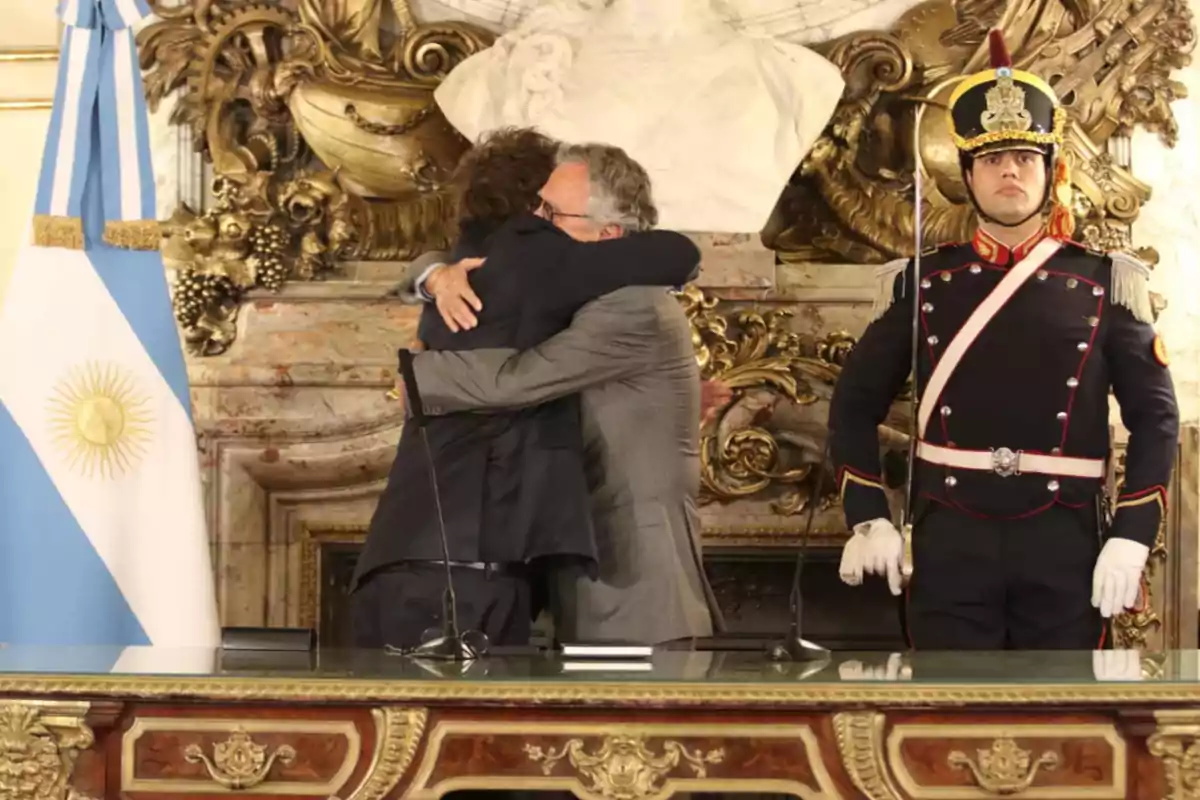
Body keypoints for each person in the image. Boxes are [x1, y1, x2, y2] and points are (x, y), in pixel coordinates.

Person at [829, 29, 1179, 651]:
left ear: (1050, 171)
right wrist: (869, 517)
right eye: (992, 159)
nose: (1009, 170)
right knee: (945, 719)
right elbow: (853, 405)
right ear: (969, 175)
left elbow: (1155, 420)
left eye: (1024, 157)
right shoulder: (923, 281)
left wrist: (1131, 531)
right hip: (949, 542)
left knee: (1064, 723)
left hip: (1064, 540)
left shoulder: (1107, 282)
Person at [351, 128, 701, 651]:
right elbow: (469, 261)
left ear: (607, 233)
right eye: (534, 207)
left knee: (634, 733)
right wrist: (433, 275)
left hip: (633, 591)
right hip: (578, 579)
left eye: (550, 214)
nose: (534, 225)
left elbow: (519, 379)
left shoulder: (629, 305)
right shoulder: (570, 293)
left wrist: (418, 377)